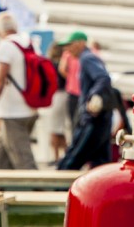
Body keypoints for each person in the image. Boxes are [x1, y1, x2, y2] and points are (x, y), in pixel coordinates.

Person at [0, 13, 39, 169]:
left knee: (25, 163)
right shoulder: (29, 43)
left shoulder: (5, 46)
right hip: (30, 109)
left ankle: (38, 185)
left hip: (12, 114)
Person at [56, 32, 113, 170]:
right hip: (98, 116)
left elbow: (103, 78)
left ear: (80, 43)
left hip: (92, 118)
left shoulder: (87, 58)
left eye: (70, 45)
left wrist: (93, 96)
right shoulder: (86, 57)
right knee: (100, 161)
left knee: (74, 158)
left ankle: (60, 180)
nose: (66, 49)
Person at [46, 40, 69, 165]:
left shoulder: (52, 63)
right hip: (65, 94)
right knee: (60, 128)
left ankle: (56, 156)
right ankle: (66, 155)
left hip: (57, 95)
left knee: (54, 128)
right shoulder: (64, 62)